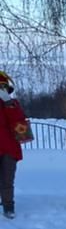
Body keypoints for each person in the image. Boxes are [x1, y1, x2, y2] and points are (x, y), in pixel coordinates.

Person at [0, 70, 32, 219]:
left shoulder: (13, 104)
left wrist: (8, 104)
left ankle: (8, 206)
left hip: (9, 148)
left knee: (7, 179)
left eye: (4, 87)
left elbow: (19, 122)